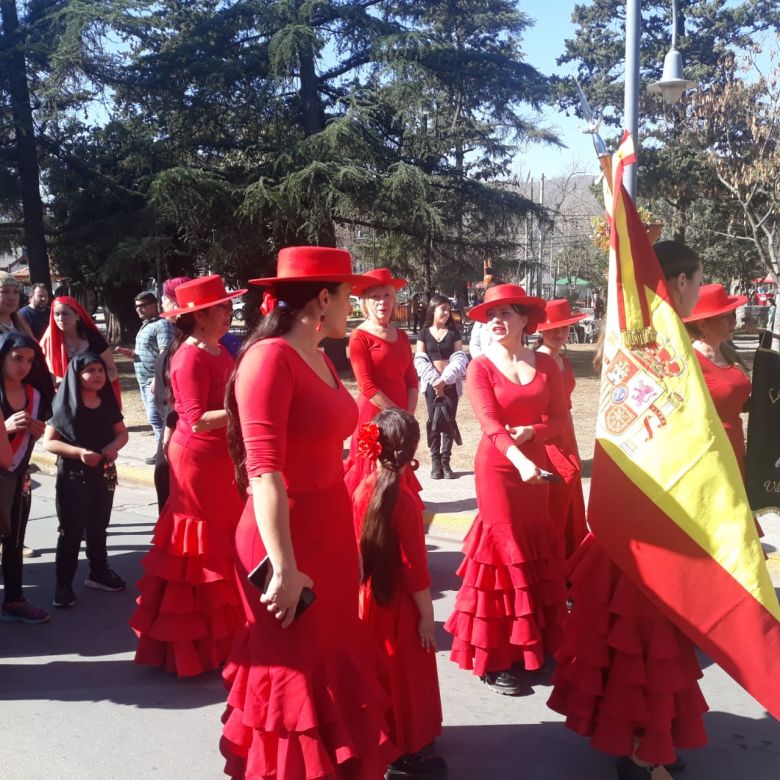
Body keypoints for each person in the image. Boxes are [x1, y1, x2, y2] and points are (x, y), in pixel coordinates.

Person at [220, 246, 396, 779]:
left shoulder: (317, 354)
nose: (355, 305)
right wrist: (284, 567)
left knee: (330, 662)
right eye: (349, 295)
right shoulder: (268, 359)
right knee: (294, 674)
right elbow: (264, 472)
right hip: (284, 539)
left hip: (327, 528)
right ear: (323, 298)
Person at [548, 240, 706, 780]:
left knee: (637, 643)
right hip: (653, 519)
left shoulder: (636, 345)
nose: (700, 291)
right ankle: (641, 752)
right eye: (698, 280)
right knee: (645, 641)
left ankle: (639, 740)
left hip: (638, 515)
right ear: (680, 283)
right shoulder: (664, 351)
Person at [445, 284, 569, 695]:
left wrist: (532, 432)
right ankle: (496, 658)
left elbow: (560, 419)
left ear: (524, 320)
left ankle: (535, 647)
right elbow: (489, 424)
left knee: (535, 551)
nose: (496, 321)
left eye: (506, 313)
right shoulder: (480, 366)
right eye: (491, 314)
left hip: (536, 467)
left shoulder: (547, 365)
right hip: (499, 470)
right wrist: (520, 457)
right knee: (503, 557)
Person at [131, 275, 246, 677]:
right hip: (196, 461)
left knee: (223, 545)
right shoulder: (190, 357)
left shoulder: (216, 349)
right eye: (222, 308)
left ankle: (221, 638)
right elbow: (196, 420)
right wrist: (246, 412)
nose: (228, 313)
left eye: (228, 306)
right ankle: (188, 645)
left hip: (219, 460)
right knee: (198, 548)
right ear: (200, 317)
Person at [354, 409, 446, 780]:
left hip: (372, 598)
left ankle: (386, 740)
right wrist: (427, 616)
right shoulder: (404, 501)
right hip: (402, 606)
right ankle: (405, 751)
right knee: (407, 680)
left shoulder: (364, 489)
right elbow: (415, 570)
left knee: (381, 676)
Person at [43, 353, 128, 608]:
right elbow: (49, 442)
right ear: (76, 376)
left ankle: (98, 572)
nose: (97, 375)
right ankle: (63, 584)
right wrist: (79, 453)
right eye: (90, 370)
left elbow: (121, 434)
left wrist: (113, 447)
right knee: (70, 530)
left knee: (98, 525)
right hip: (73, 476)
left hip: (102, 473)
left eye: (100, 369)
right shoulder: (65, 404)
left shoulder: (107, 401)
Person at [344, 268, 419, 498]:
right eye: (374, 297)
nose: (381, 302)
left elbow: (411, 379)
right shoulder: (359, 336)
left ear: (394, 299)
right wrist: (399, 416)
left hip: (401, 415)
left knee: (397, 480)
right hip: (374, 417)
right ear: (365, 302)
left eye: (386, 295)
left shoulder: (403, 336)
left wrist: (408, 416)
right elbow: (367, 387)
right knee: (370, 483)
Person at [0, 333, 53, 623]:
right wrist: (5, 427)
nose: (23, 366)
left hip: (17, 478)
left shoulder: (36, 395)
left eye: (30, 360)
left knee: (14, 541)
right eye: (17, 358)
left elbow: (41, 434)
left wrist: (37, 430)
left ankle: (14, 599)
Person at [535, 299, 589, 558]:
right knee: (555, 500)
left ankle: (571, 564)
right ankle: (551, 565)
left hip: (566, 434)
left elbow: (565, 408)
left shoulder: (563, 361)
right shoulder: (535, 362)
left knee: (570, 500)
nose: (559, 334)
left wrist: (574, 445)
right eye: (552, 328)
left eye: (564, 328)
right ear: (540, 330)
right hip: (546, 439)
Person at [683, 284, 751, 478]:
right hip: (708, 452)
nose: (733, 322)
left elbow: (734, 400)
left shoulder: (728, 353)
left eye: (733, 315)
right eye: (726, 317)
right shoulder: (690, 361)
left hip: (735, 444)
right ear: (703, 324)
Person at [414, 294, 468, 479]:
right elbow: (419, 359)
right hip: (431, 386)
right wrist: (435, 381)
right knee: (434, 423)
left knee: (449, 422)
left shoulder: (454, 333)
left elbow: (460, 358)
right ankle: (435, 462)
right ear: (433, 309)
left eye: (448, 309)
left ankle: (446, 462)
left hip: (450, 384)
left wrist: (445, 380)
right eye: (442, 309)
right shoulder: (423, 333)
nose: (446, 312)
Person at [115, 292, 173, 455]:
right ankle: (161, 450)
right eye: (137, 306)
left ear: (153, 306)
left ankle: (165, 452)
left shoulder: (162, 325)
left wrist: (157, 378)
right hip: (143, 380)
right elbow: (149, 350)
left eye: (142, 305)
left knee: (156, 417)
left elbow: (165, 354)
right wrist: (133, 354)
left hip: (154, 380)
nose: (138, 309)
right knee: (154, 418)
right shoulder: (146, 324)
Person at [40, 296, 121, 404]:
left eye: (65, 313)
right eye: (57, 314)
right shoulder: (48, 342)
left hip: (97, 400)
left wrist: (89, 383)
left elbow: (113, 372)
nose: (61, 318)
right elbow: (43, 375)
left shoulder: (94, 339)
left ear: (77, 316)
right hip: (65, 401)